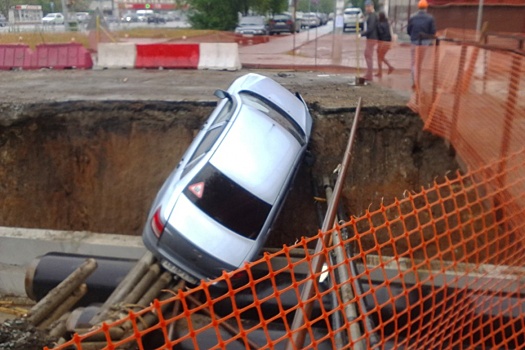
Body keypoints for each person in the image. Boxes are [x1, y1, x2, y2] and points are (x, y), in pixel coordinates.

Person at [407, 0, 436, 87]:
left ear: (418, 7)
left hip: (414, 41)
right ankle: (418, 80)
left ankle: (414, 81)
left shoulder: (412, 17)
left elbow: (408, 30)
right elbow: (433, 31)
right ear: (426, 7)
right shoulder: (430, 18)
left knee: (413, 62)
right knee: (420, 61)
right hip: (425, 42)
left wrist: (413, 36)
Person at [360, 0, 379, 81]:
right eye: (366, 6)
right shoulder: (370, 15)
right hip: (371, 38)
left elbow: (370, 28)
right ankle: (369, 73)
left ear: (372, 6)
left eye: (368, 6)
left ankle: (369, 74)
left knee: (368, 55)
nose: (366, 8)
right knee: (368, 55)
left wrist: (361, 34)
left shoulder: (373, 16)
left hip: (372, 38)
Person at [375, 11, 394, 78]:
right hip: (388, 42)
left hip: (382, 42)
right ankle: (380, 72)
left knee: (380, 57)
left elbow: (380, 33)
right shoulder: (387, 23)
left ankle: (389, 68)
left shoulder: (379, 24)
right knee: (380, 57)